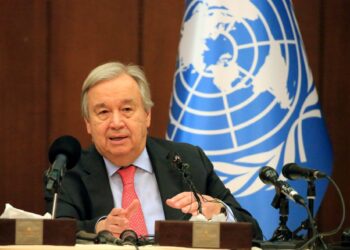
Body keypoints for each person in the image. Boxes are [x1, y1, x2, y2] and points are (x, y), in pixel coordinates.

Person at [45, 61, 263, 240]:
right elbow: (57, 233)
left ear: (147, 115)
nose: (116, 122)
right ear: (88, 124)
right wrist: (100, 227)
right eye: (103, 112)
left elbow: (253, 233)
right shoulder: (69, 172)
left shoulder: (189, 161)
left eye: (127, 109)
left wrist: (221, 212)